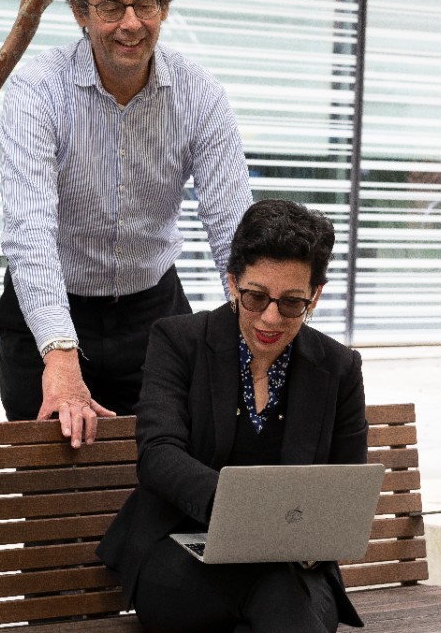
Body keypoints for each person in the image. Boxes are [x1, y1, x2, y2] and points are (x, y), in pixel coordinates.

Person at [0, 0, 252, 447]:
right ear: (80, 13)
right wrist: (61, 359)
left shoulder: (200, 94)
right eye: (111, 7)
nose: (130, 23)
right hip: (46, 317)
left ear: (164, 7)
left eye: (145, 4)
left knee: (165, 478)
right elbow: (30, 231)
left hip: (152, 314)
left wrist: (259, 330)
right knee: (54, 502)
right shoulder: (37, 90)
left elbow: (231, 229)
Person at [96, 198, 367, 633]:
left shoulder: (338, 368)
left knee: (282, 592)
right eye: (256, 297)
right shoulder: (178, 341)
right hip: (179, 551)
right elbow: (158, 455)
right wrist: (241, 509)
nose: (271, 318)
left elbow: (348, 483)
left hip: (289, 564)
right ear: (232, 281)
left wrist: (311, 539)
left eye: (292, 303)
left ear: (315, 295)